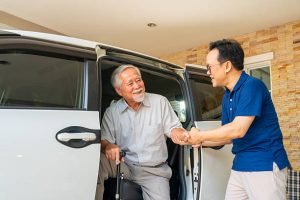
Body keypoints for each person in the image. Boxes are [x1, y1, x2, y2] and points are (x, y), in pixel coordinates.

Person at [188, 39, 290, 200]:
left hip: (264, 165)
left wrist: (200, 136)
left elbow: (238, 129)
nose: (208, 72)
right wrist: (193, 140)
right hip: (240, 166)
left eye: (210, 67)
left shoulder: (252, 86)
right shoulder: (227, 95)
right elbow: (228, 137)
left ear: (227, 66)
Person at [95, 64, 189, 200]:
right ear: (119, 90)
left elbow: (173, 129)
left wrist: (181, 134)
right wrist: (108, 146)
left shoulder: (160, 102)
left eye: (138, 80)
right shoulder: (112, 112)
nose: (137, 86)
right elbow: (104, 139)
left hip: (154, 171)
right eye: (130, 83)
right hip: (124, 164)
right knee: (97, 162)